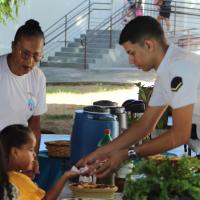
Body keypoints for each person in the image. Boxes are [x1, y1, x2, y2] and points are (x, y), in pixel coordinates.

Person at [77, 16, 200, 178]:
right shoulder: (167, 70)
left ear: (148, 45)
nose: (130, 60)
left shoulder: (179, 68)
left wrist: (128, 154)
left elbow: (179, 135)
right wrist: (100, 153)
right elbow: (145, 125)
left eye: (131, 52)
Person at [0, 19, 47, 155]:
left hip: (19, 154)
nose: (30, 61)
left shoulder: (38, 78)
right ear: (13, 46)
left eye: (36, 56)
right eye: (25, 54)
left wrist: (33, 158)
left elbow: (34, 123)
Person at [0, 124, 79, 200]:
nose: (34, 154)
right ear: (15, 152)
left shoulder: (11, 177)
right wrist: (65, 176)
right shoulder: (18, 179)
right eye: (30, 150)